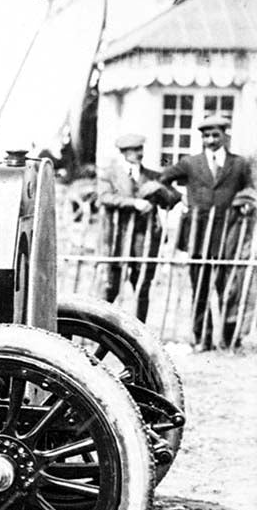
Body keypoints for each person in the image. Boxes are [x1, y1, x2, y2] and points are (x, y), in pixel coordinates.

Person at [156, 114, 256, 350]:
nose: (210, 140)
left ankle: (231, 338)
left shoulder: (239, 164)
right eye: (206, 136)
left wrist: (244, 202)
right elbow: (164, 178)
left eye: (215, 135)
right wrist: (180, 198)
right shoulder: (191, 163)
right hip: (198, 233)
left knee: (228, 287)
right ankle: (202, 338)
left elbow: (251, 189)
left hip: (228, 233)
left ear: (225, 135)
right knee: (200, 287)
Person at [95, 133, 180, 321]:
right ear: (123, 152)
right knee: (111, 286)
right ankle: (102, 327)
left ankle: (140, 332)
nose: (138, 154)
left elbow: (173, 198)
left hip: (146, 239)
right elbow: (104, 197)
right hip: (118, 238)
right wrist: (133, 203)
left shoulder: (152, 175)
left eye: (140, 149)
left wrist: (159, 190)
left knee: (142, 286)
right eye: (133, 150)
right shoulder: (110, 174)